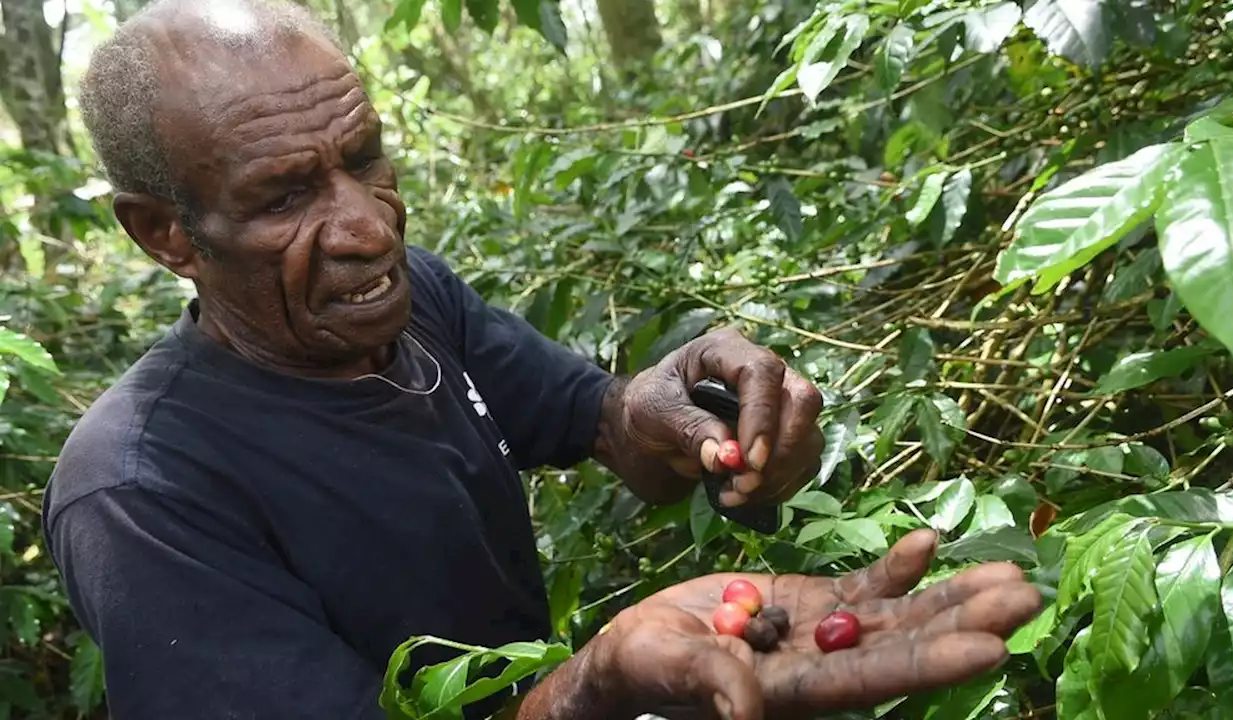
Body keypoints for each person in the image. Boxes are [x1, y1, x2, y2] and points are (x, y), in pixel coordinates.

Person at [41, 1, 1042, 719]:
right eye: (285, 196)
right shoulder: (142, 491)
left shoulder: (408, 301)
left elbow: (610, 432)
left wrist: (699, 419)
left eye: (364, 159)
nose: (366, 227)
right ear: (165, 233)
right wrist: (585, 690)